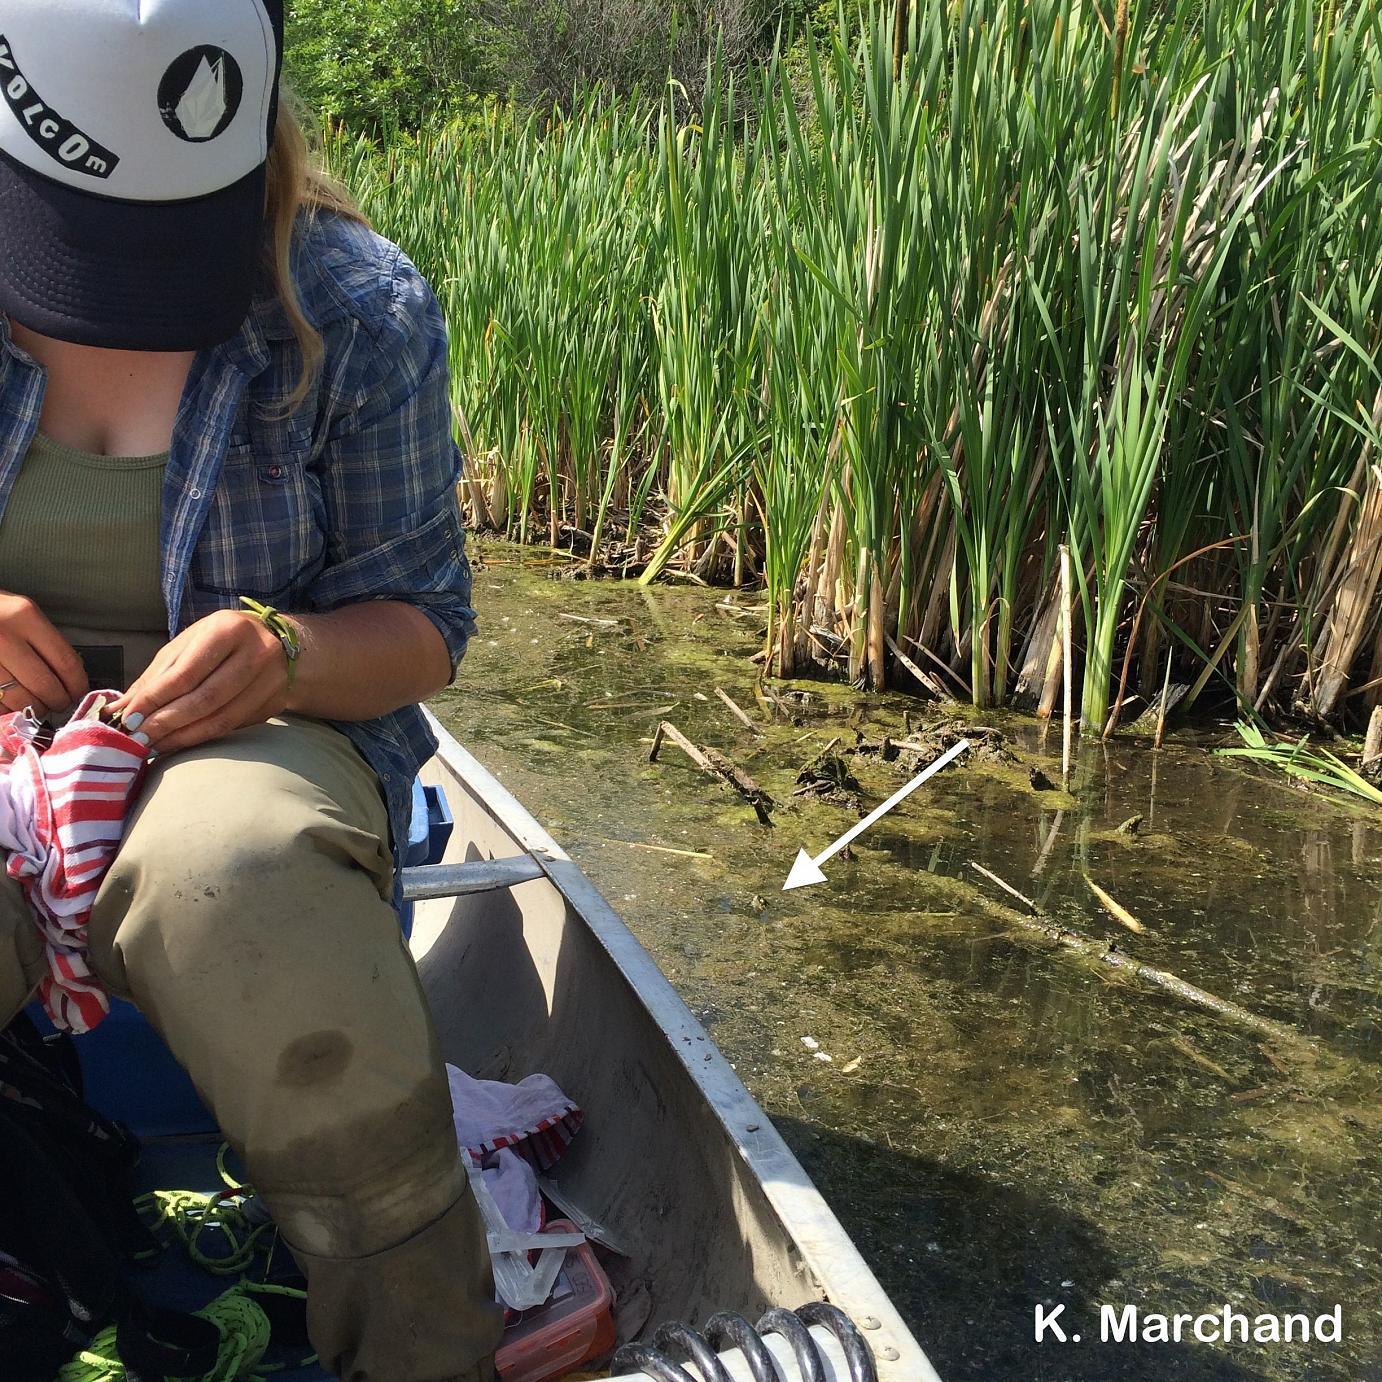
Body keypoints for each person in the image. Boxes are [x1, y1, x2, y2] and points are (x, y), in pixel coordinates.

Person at [0, 1, 503, 1378]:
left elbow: (427, 623)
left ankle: (418, 1339)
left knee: (238, 874)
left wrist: (288, 650)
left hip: (263, 745)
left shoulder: (355, 307)